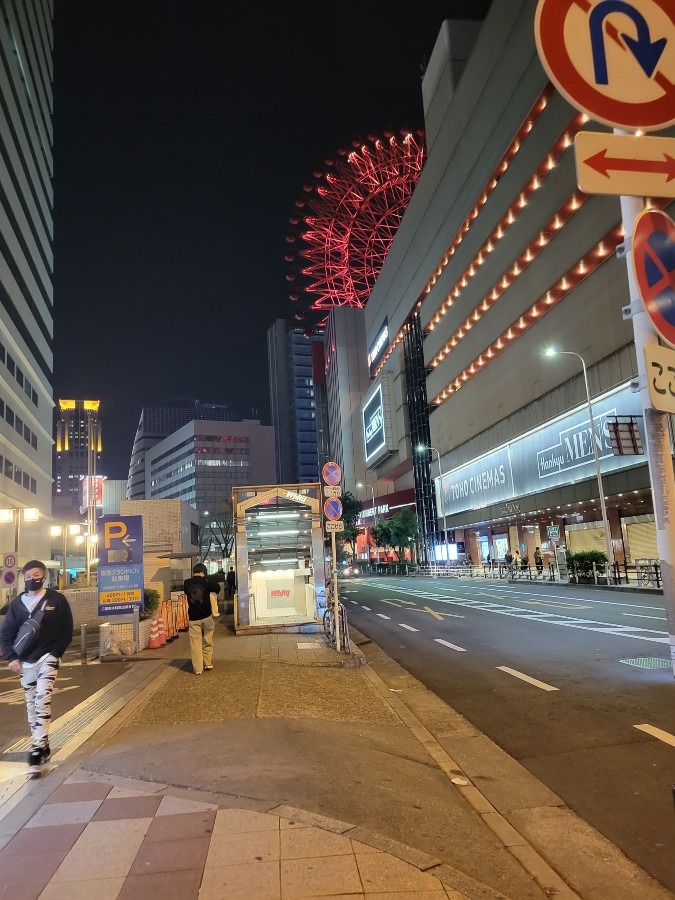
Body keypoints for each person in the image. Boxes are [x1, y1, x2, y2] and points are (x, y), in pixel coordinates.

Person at [0, 560, 73, 773]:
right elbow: (6, 634)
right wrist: (12, 658)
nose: (33, 579)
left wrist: (56, 653)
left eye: (37, 574)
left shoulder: (56, 600)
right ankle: (42, 743)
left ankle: (36, 748)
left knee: (42, 698)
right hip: (25, 661)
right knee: (31, 703)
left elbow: (66, 629)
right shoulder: (17, 605)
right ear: (24, 577)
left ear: (45, 576)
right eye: (29, 576)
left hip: (47, 657)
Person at [183, 563, 220, 674]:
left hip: (194, 618)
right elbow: (217, 588)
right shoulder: (206, 581)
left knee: (195, 644)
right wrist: (206, 578)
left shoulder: (187, 583)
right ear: (203, 572)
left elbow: (187, 592)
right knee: (208, 641)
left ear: (194, 571)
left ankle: (198, 669)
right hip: (207, 617)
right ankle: (207, 663)